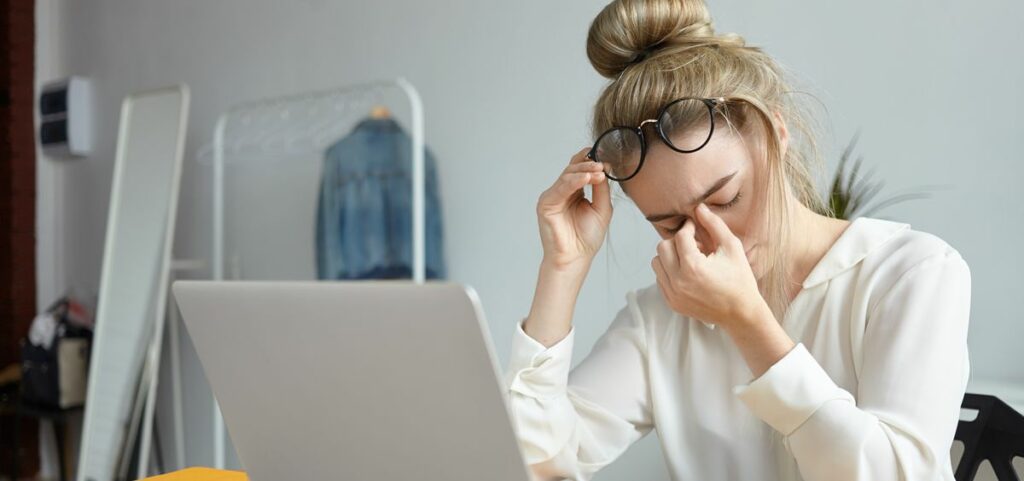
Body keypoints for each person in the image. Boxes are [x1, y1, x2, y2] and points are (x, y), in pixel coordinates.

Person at [502, 0, 972, 480]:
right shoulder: (661, 321)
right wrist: (561, 269)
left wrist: (747, 322)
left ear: (776, 132)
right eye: (670, 225)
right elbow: (530, 467)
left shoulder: (910, 273)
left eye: (726, 198)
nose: (710, 238)